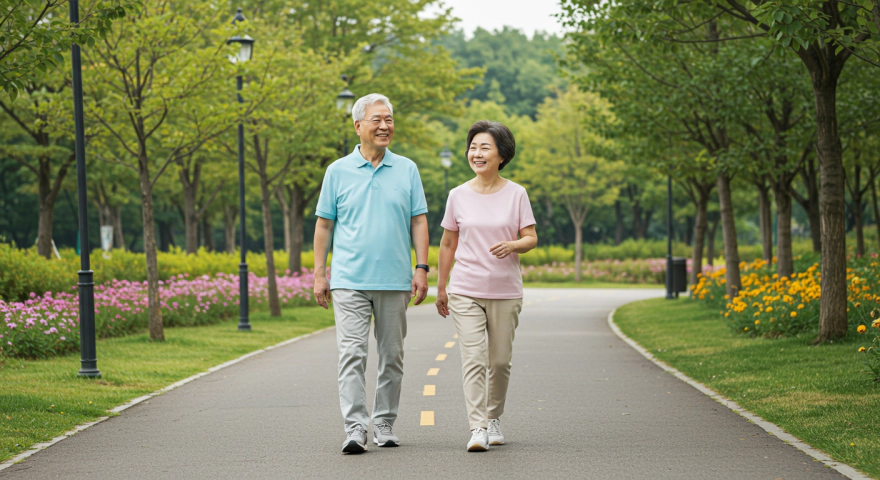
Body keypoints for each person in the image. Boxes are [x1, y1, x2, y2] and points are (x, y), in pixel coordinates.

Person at [313, 93, 430, 454]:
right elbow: (324, 226)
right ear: (358, 126)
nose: (385, 126)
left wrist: (422, 268)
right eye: (377, 120)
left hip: (395, 281)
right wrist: (320, 274)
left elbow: (419, 221)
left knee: (392, 355)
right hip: (349, 280)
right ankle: (354, 428)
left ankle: (384, 422)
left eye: (389, 120)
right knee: (352, 354)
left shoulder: (407, 168)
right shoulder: (337, 171)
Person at [435, 120, 537, 452]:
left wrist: (514, 245)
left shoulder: (516, 193)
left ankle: (494, 418)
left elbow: (531, 238)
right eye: (473, 147)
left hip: (506, 291)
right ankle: (477, 427)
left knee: (500, 362)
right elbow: (448, 244)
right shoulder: (457, 195)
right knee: (474, 358)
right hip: (465, 288)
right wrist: (441, 286)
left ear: (502, 155)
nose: (476, 154)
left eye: (484, 148)